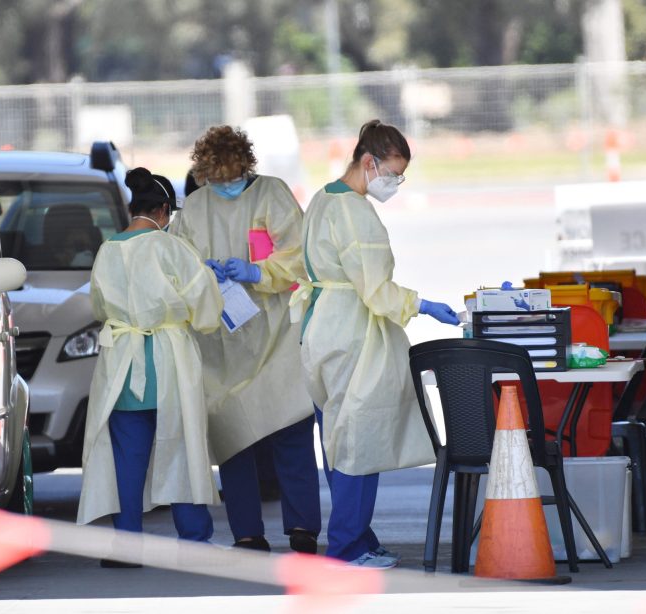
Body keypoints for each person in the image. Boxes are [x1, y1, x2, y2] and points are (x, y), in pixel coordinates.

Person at [292, 119, 458, 568]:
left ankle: (359, 538)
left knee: (339, 438)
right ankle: (346, 548)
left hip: (323, 329)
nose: (394, 184)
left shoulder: (324, 198)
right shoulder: (355, 212)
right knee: (357, 442)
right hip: (351, 335)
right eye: (393, 174)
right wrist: (423, 305)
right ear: (369, 162)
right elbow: (375, 290)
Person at [170, 125, 321, 554]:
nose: (226, 186)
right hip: (222, 341)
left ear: (246, 166)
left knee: (291, 429)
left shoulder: (272, 194)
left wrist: (258, 272)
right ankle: (247, 534)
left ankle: (303, 528)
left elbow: (299, 256)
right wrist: (204, 276)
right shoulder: (194, 207)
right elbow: (179, 267)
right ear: (204, 176)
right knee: (233, 439)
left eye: (232, 178)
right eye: (216, 180)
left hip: (277, 334)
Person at [77, 167, 224, 568]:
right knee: (182, 447)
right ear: (163, 210)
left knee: (128, 459)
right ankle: (193, 541)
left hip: (123, 365)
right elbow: (206, 309)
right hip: (168, 360)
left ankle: (126, 547)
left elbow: (98, 307)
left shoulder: (108, 249)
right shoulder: (171, 247)